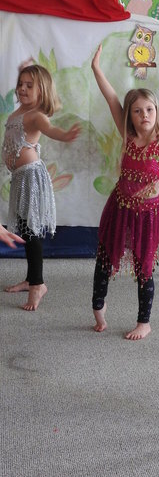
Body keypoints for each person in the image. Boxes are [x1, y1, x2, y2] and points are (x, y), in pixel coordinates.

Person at [91, 44, 159, 340]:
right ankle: (98, 304)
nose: (144, 115)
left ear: (156, 111)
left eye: (149, 109)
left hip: (147, 215)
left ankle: (144, 321)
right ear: (130, 116)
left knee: (144, 267)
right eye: (138, 111)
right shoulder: (126, 136)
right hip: (119, 207)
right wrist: (96, 69)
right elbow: (111, 97)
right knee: (105, 258)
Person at [2, 63, 80, 311]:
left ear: (42, 90)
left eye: (29, 85)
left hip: (31, 177)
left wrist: (65, 135)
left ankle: (38, 284)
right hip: (20, 178)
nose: (22, 89)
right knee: (26, 229)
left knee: (32, 230)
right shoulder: (18, 112)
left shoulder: (36, 115)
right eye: (20, 84)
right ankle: (30, 278)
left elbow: (50, 128)